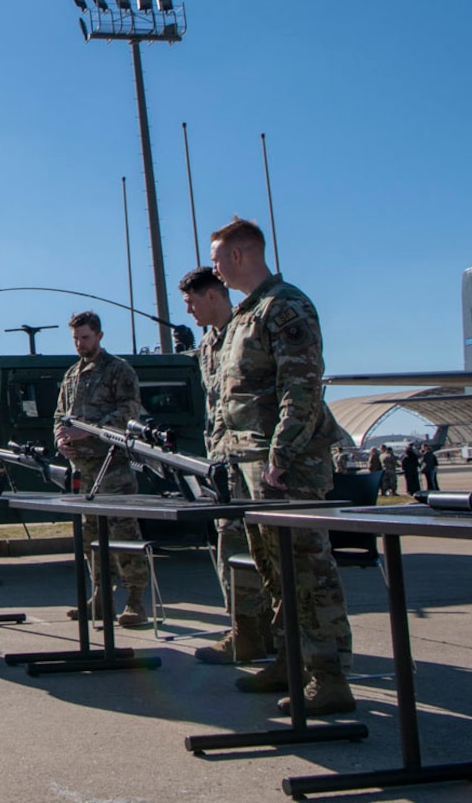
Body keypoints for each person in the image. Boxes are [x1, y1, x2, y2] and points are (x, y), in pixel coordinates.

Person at [209, 216, 355, 716]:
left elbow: (302, 385)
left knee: (307, 570)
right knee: (274, 570)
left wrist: (283, 450)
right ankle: (290, 661)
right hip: (248, 465)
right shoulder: (242, 318)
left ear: (237, 256)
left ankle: (329, 677)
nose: (215, 271)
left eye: (216, 260)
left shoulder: (284, 305)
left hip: (285, 467)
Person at [181, 266, 269, 665]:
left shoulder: (249, 328)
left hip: (260, 460)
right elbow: (216, 407)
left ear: (212, 296)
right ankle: (245, 633)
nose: (189, 311)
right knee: (230, 549)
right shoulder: (208, 343)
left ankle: (288, 641)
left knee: (272, 552)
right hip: (225, 462)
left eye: (191, 302)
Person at [54, 310, 151, 627]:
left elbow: (130, 409)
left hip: (113, 466)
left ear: (99, 336)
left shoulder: (117, 369)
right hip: (82, 468)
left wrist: (92, 429)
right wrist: (60, 438)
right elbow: (60, 414)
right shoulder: (72, 374)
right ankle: (101, 596)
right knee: (91, 536)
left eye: (85, 337)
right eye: (75, 339)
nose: (80, 344)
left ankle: (135, 600)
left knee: (123, 530)